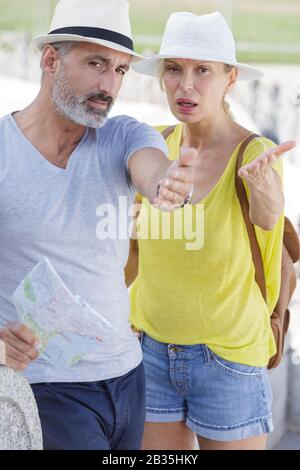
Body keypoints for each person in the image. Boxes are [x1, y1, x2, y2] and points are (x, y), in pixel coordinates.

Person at [0, 0, 198, 450]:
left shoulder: (123, 135)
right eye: (96, 63)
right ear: (51, 59)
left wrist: (171, 185)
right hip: (45, 387)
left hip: (127, 378)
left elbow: (153, 172)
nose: (110, 85)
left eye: (121, 70)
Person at [127, 11, 296, 450]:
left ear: (229, 78)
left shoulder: (253, 153)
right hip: (152, 355)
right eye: (175, 70)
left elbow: (268, 216)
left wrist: (261, 186)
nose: (186, 85)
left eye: (203, 70)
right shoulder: (155, 146)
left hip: (228, 363)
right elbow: (133, 246)